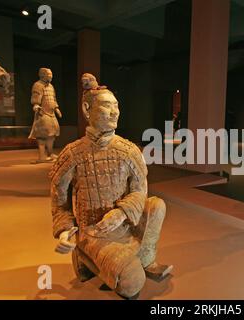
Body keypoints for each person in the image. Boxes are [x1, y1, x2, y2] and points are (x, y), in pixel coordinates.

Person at [49, 74, 172, 299]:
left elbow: (139, 189)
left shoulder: (128, 150)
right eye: (107, 106)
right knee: (132, 283)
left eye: (117, 106)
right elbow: (59, 201)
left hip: (124, 224)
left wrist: (122, 212)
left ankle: (143, 257)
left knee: (157, 205)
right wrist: (66, 231)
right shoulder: (72, 153)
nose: (115, 112)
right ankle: (85, 254)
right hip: (94, 232)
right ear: (87, 110)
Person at [28, 68, 62, 162]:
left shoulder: (51, 86)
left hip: (52, 114)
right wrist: (36, 105)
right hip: (43, 113)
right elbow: (36, 96)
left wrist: (56, 108)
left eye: (51, 74)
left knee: (52, 134)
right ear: (42, 75)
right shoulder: (38, 85)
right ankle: (42, 156)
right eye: (48, 74)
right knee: (42, 134)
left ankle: (50, 154)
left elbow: (53, 99)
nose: (51, 76)